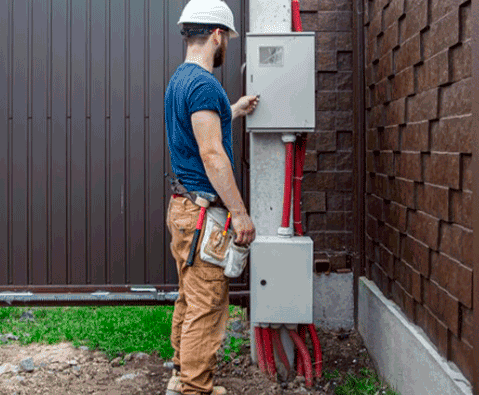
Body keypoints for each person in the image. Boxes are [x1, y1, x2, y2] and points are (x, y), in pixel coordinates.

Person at [164, 1, 259, 394]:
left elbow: (203, 129)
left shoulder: (180, 81)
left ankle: (179, 376)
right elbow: (212, 153)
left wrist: (232, 110)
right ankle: (195, 389)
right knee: (206, 305)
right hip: (203, 214)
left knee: (190, 298)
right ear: (218, 35)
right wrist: (239, 213)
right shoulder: (203, 85)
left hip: (184, 208)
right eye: (227, 40)